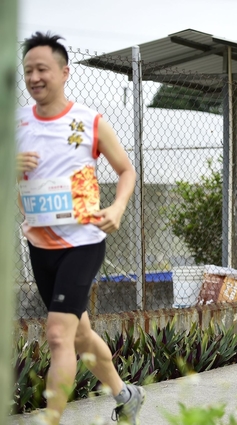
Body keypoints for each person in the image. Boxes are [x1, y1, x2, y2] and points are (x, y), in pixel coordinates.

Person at [16, 32, 143, 425]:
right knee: (80, 335)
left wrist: (118, 207)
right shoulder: (15, 124)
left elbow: (126, 171)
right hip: (40, 245)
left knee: (58, 334)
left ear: (64, 72)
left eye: (42, 69)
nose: (34, 78)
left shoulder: (89, 121)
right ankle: (126, 395)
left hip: (83, 241)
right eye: (28, 71)